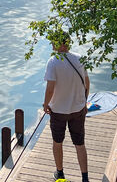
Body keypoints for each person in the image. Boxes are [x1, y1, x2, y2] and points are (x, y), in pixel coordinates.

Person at [43, 31, 90, 182]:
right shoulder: (80, 58)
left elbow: (50, 88)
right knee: (80, 144)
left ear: (59, 44)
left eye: (53, 42)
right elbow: (87, 83)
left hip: (58, 111)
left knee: (57, 142)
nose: (51, 45)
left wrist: (45, 104)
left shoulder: (53, 61)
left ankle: (60, 174)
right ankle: (85, 178)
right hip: (78, 109)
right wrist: (84, 102)